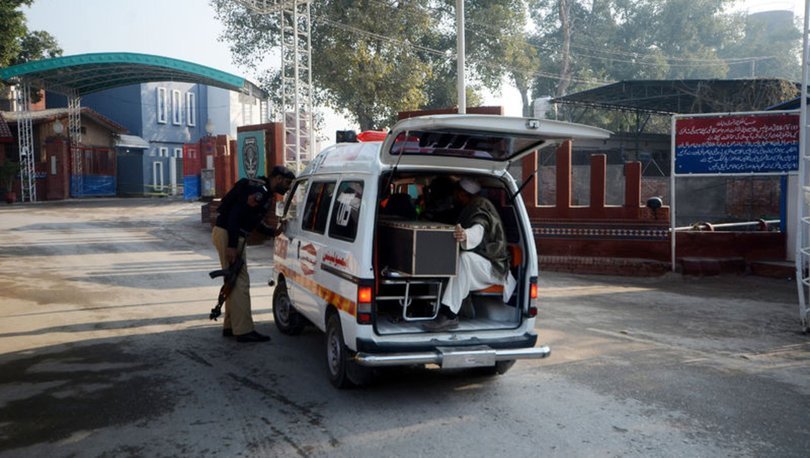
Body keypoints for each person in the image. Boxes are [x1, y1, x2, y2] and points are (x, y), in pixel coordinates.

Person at [212, 165, 295, 342]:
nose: (288, 187)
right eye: (287, 183)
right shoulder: (259, 191)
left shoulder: (263, 191)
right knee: (240, 283)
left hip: (230, 233)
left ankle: (231, 326)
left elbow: (253, 220)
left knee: (233, 280)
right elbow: (235, 215)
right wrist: (232, 245)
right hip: (229, 234)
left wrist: (273, 232)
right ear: (278, 179)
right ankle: (243, 331)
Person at [423, 178, 516, 331]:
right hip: (481, 266)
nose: (454, 196)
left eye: (456, 193)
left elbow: (478, 228)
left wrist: (466, 235)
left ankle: (449, 315)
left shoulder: (480, 205)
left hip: (494, 268)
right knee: (450, 262)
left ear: (462, 194)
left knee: (464, 259)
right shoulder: (468, 207)